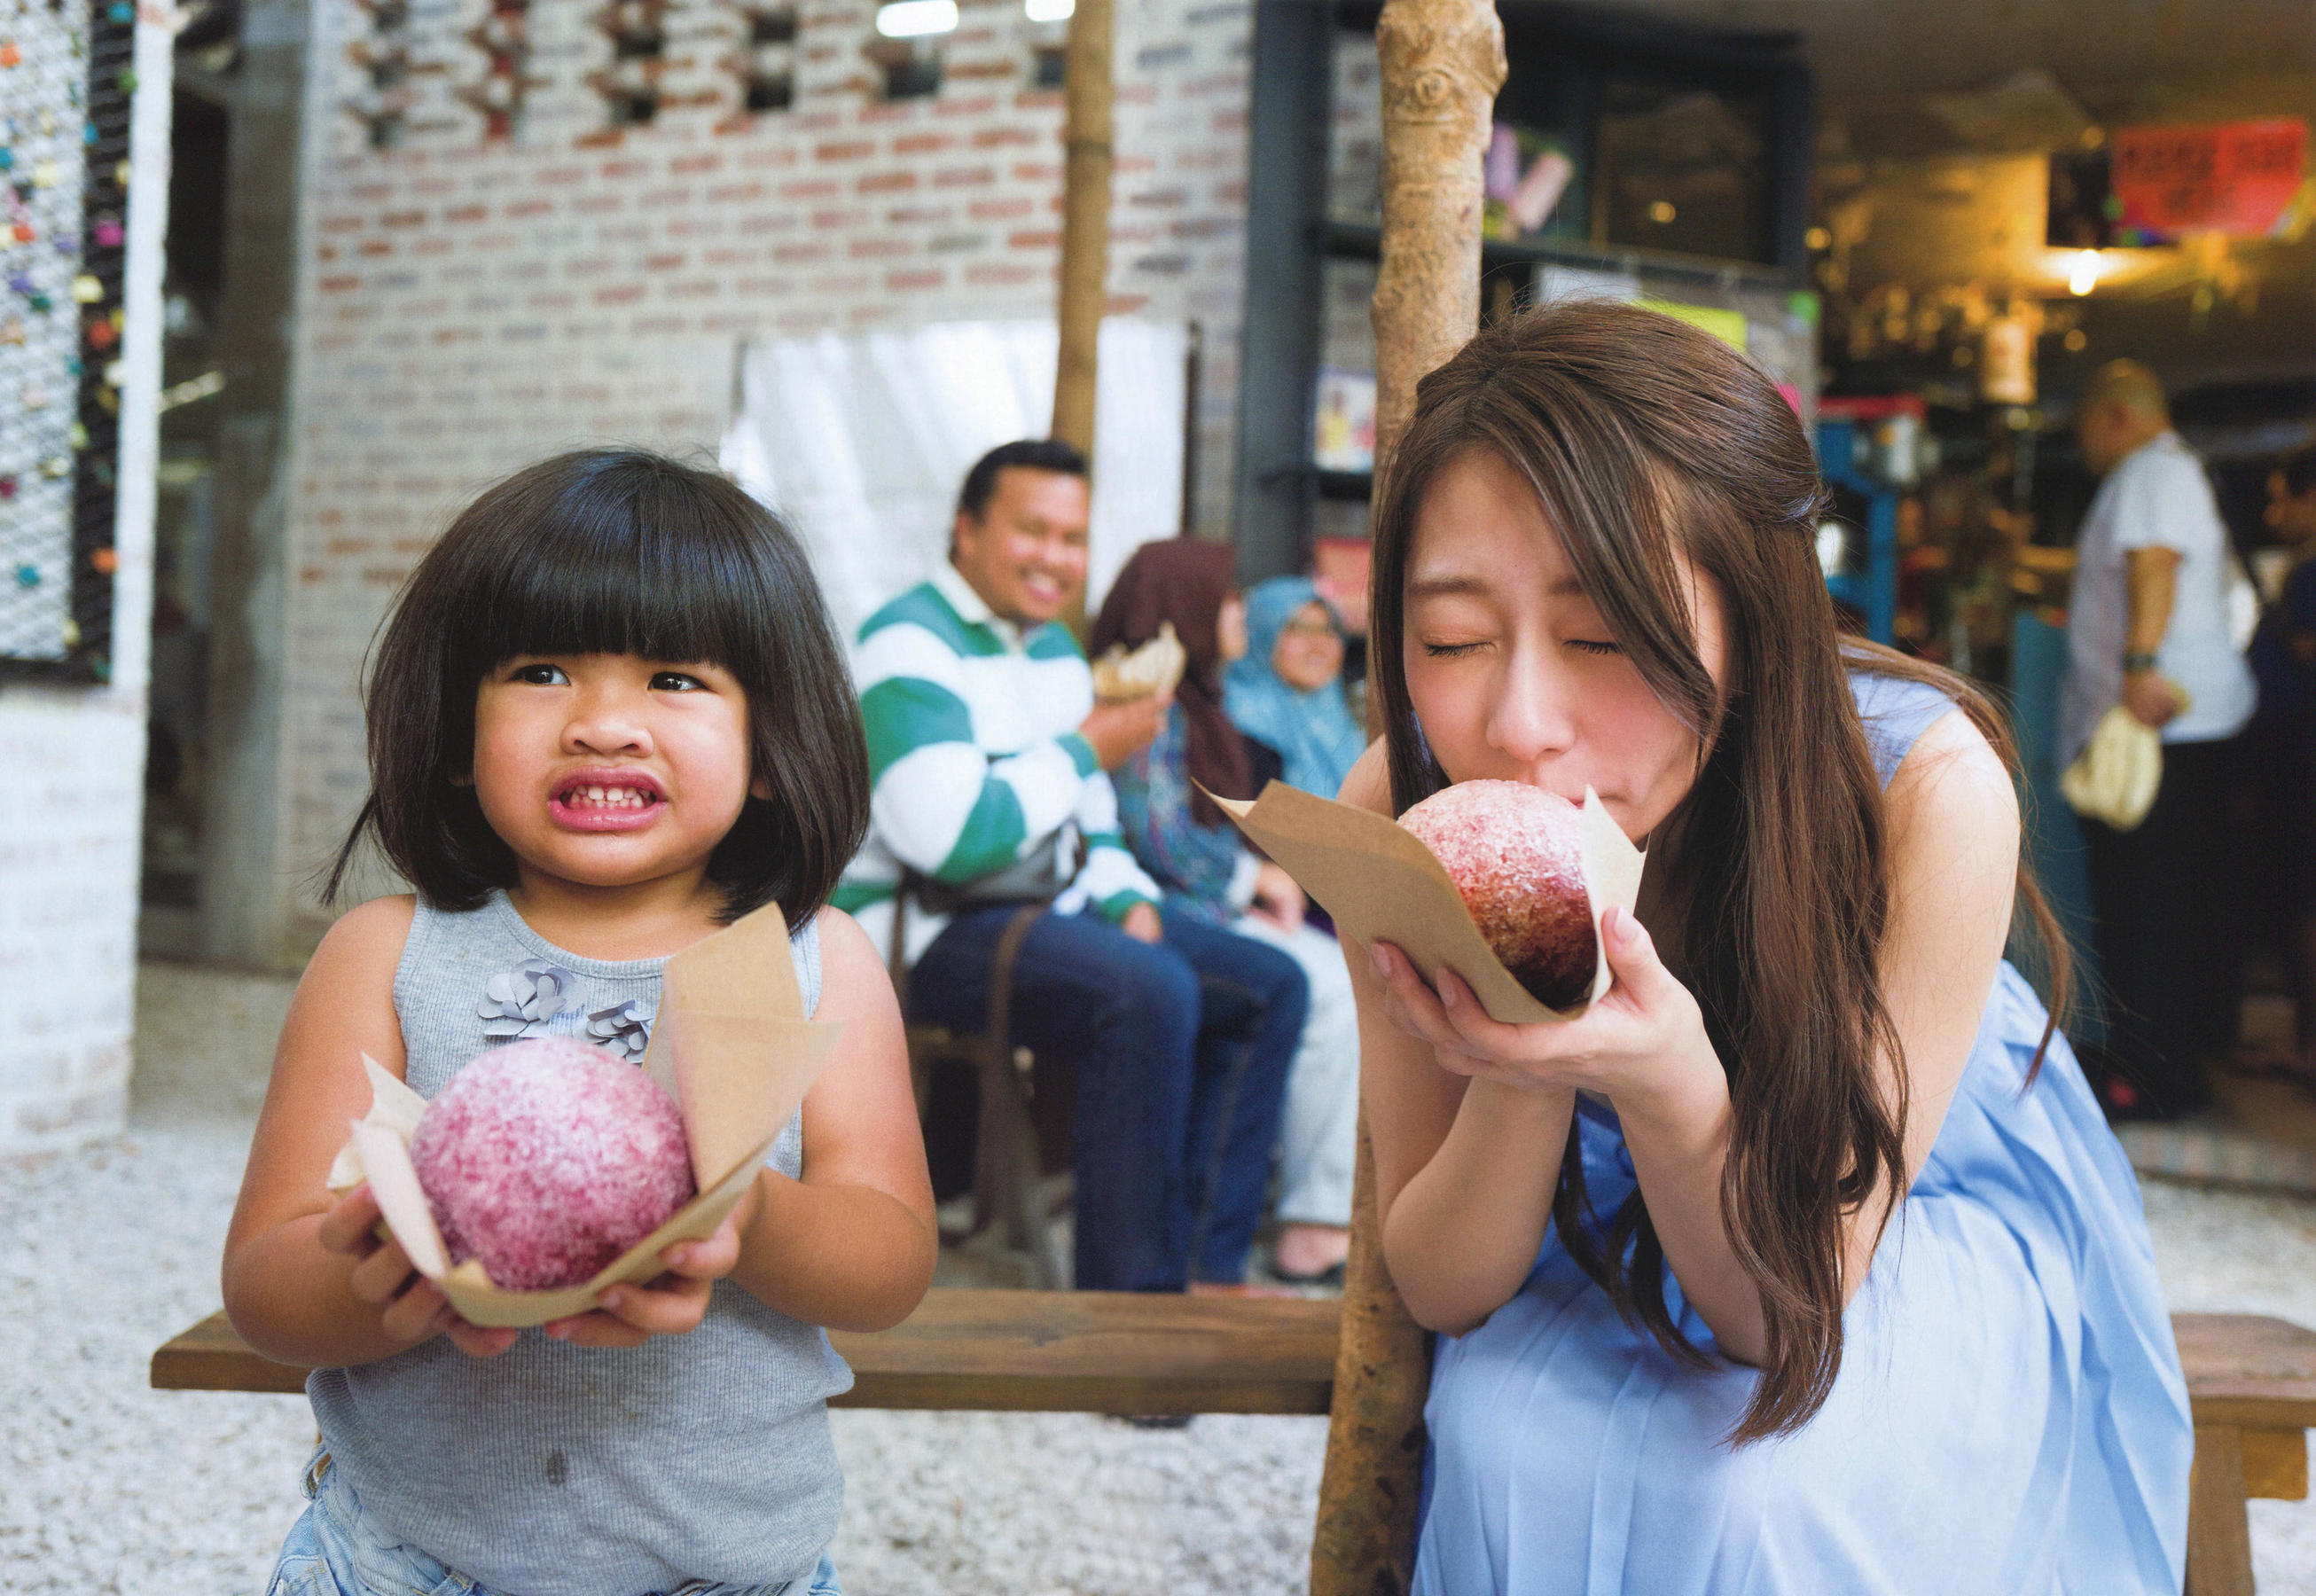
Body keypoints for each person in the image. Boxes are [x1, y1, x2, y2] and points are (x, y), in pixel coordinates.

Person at [1343, 302, 2189, 1592]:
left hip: (1883, 1208)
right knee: (1505, 1441)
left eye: (1605, 638)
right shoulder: (1396, 808)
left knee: (1761, 1496)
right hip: (1608, 1204)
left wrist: (1671, 1070)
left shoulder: (1924, 791)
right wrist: (1532, 1056)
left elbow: (1780, 1318)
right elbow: (1444, 1284)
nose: (1520, 725)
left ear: (1759, 623)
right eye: (1452, 639)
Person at [220, 450, 936, 1596]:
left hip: (731, 1575)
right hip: (414, 1566)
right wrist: (389, 1274)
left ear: (770, 744)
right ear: (456, 730)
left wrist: (746, 1211)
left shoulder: (812, 963)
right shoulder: (391, 957)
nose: (605, 725)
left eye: (675, 680)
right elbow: (262, 1287)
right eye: (542, 670)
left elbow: (892, 1259)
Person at [840, 439, 1303, 1294]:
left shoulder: (1053, 651)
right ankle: (1127, 1310)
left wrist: (1127, 896)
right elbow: (950, 840)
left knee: (1269, 985)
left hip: (1035, 906)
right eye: (1033, 531)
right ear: (967, 529)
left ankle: (1206, 1268)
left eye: (1073, 538)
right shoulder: (905, 642)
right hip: (917, 926)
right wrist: (1091, 742)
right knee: (1146, 990)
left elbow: (1088, 819)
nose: (1056, 558)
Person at [1098, 543, 1359, 1285]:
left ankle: (1315, 1216)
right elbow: (1161, 837)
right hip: (1171, 907)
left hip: (1218, 901)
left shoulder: (1196, 701)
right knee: (1327, 989)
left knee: (1341, 978)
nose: (1239, 613)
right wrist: (1252, 877)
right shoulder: (1156, 703)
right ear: (1187, 608)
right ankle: (1304, 1226)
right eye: (1229, 600)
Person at [2062, 360, 2258, 1119]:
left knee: (2151, 907)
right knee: (2166, 905)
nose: (2082, 444)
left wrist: (2142, 664)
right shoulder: (2171, 471)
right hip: (2184, 728)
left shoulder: (2151, 471)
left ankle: (2152, 1080)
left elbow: (2154, 566)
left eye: (2084, 426)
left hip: (2164, 724)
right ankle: (2158, 1069)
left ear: (2114, 416)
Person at [2247, 441, 2316, 1091]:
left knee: (2307, 904)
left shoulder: (2308, 573)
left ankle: (2307, 1049)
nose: (2273, 514)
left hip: (2305, 760)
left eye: (2281, 497)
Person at [1225, 575, 1370, 807]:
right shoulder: (1236, 725)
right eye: (1300, 629)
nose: (1318, 645)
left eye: (1329, 629)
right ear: (1263, 634)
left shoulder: (1345, 719)